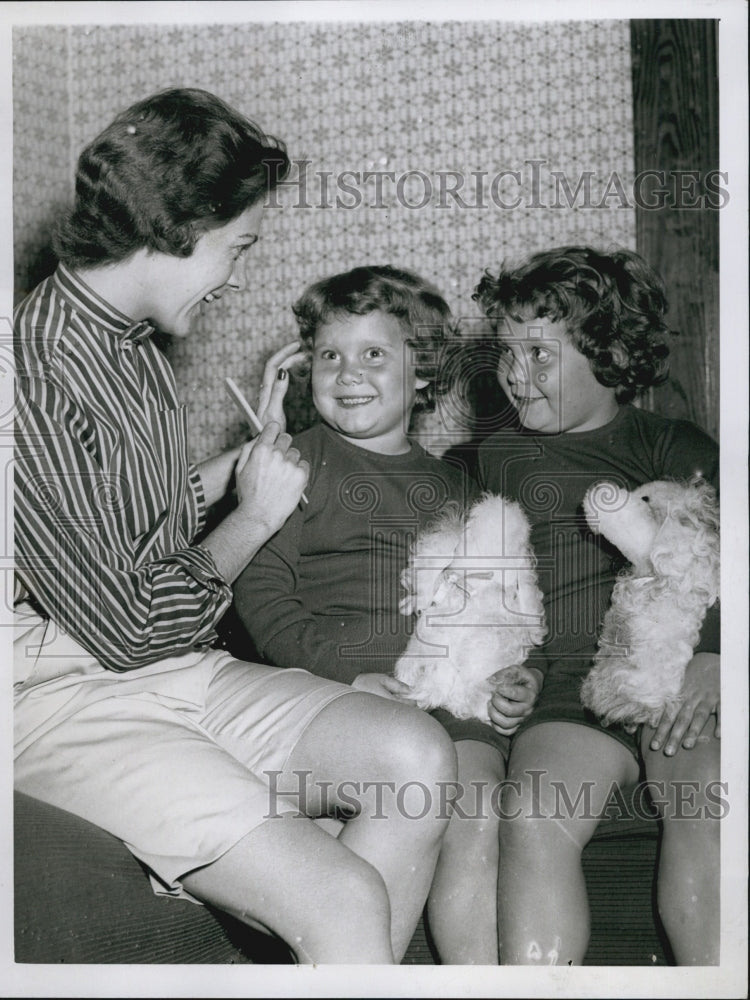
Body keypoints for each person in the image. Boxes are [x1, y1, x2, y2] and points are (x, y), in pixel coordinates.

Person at [12, 88, 459, 966]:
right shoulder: (27, 373)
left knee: (416, 759)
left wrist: (239, 468)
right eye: (239, 244)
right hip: (54, 698)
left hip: (173, 668)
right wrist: (253, 517)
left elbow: (111, 525)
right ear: (180, 227)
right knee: (341, 897)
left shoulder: (129, 342)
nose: (239, 274)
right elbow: (127, 626)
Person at [233, 264, 543, 964]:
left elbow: (494, 608)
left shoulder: (459, 486)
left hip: (449, 705)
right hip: (337, 696)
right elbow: (260, 595)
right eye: (330, 355)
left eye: (374, 354)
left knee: (477, 812)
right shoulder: (298, 462)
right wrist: (349, 673)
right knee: (396, 812)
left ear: (425, 372)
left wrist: (513, 680)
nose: (348, 372)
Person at [473, 245, 720, 965]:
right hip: (570, 693)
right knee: (532, 813)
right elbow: (477, 585)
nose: (516, 374)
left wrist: (715, 653)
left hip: (679, 681)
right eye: (506, 353)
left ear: (608, 354)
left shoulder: (674, 444)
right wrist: (500, 668)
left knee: (702, 796)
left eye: (539, 355)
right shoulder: (495, 460)